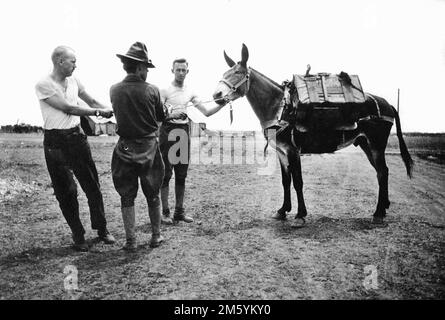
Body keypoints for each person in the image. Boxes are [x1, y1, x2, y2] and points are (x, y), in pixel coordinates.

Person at [35, 46, 116, 252]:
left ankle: (102, 229)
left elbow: (92, 100)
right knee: (66, 191)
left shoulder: (75, 81)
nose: (75, 65)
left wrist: (112, 110)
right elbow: (68, 108)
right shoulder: (44, 84)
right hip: (55, 142)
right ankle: (78, 235)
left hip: (76, 137)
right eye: (72, 61)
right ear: (60, 61)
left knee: (92, 185)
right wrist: (99, 111)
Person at [110, 42, 183, 251]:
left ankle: (131, 241)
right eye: (146, 68)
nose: (147, 72)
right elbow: (161, 116)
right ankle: (155, 236)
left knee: (127, 196)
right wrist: (167, 111)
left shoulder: (114, 90)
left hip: (124, 148)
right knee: (153, 194)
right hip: (149, 148)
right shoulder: (152, 90)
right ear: (140, 67)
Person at [160, 58, 227, 224]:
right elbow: (157, 115)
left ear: (187, 72)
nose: (181, 73)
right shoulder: (164, 91)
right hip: (168, 131)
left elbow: (206, 112)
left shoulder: (190, 92)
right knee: (166, 174)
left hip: (183, 132)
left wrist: (224, 103)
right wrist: (172, 115)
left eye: (184, 70)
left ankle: (179, 212)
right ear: (172, 70)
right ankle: (165, 212)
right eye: (178, 70)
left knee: (181, 175)